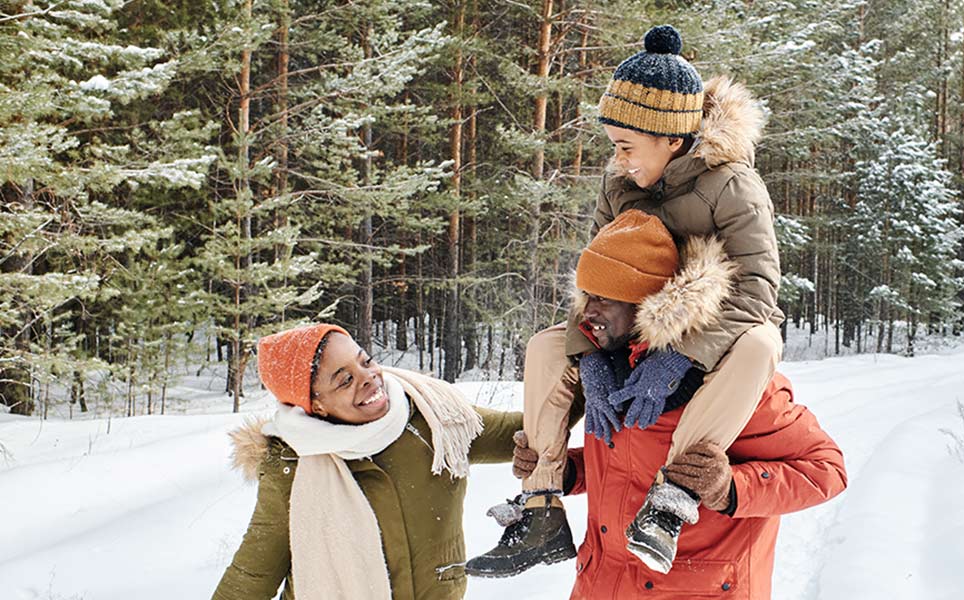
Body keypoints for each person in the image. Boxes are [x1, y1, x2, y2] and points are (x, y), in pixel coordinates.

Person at [467, 23, 786, 577]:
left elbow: (758, 290)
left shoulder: (733, 186)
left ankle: (671, 500)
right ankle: (540, 506)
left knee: (762, 343)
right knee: (547, 347)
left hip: (710, 325)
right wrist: (592, 356)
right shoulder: (618, 183)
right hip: (632, 322)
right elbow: (596, 279)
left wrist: (682, 355)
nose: (619, 159)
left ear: (671, 137)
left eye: (626, 146)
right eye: (614, 146)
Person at [519, 212, 846, 597]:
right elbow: (627, 466)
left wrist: (729, 489)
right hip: (601, 585)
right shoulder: (606, 372)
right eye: (586, 296)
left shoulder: (730, 383)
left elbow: (827, 471)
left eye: (603, 299)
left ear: (648, 305)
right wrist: (569, 472)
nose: (587, 313)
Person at [212, 323, 523, 600]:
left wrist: (569, 368)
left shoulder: (433, 417)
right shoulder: (293, 463)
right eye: (344, 380)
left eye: (366, 361)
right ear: (315, 405)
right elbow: (254, 573)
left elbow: (527, 431)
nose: (369, 379)